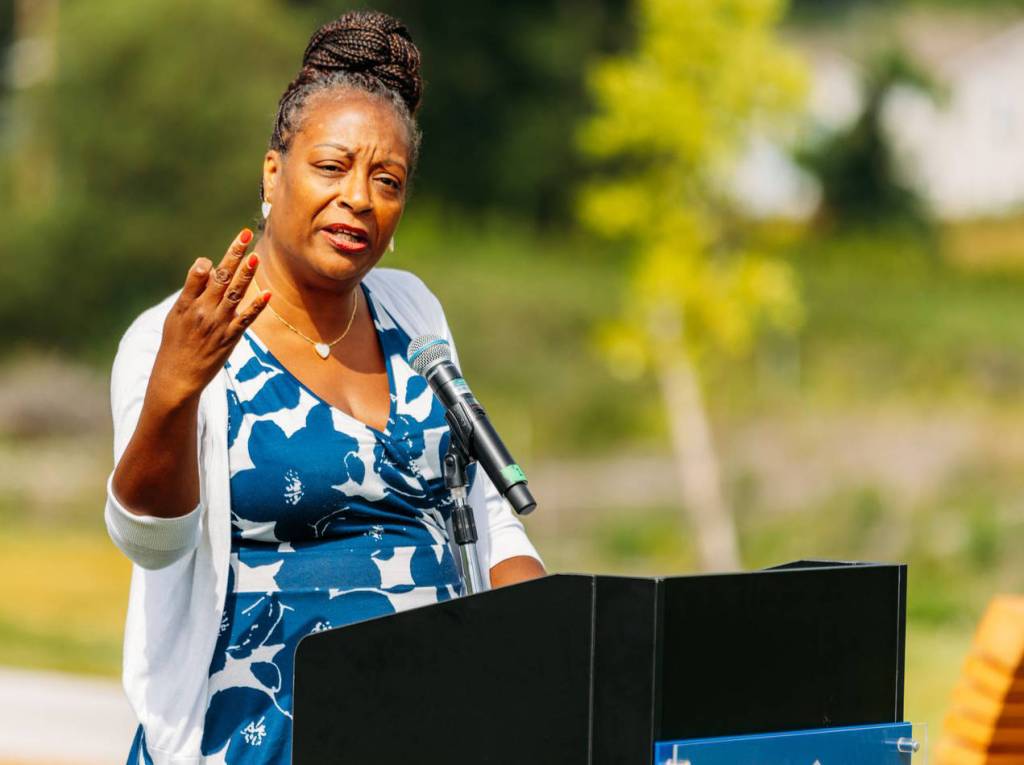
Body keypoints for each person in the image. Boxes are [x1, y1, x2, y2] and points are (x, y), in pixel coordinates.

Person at [104, 11, 545, 765]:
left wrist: (550, 651)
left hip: (431, 725)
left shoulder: (413, 310)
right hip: (256, 737)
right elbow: (152, 539)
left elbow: (481, 509)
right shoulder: (175, 334)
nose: (359, 198)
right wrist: (175, 391)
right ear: (273, 172)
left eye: (387, 180)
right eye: (332, 166)